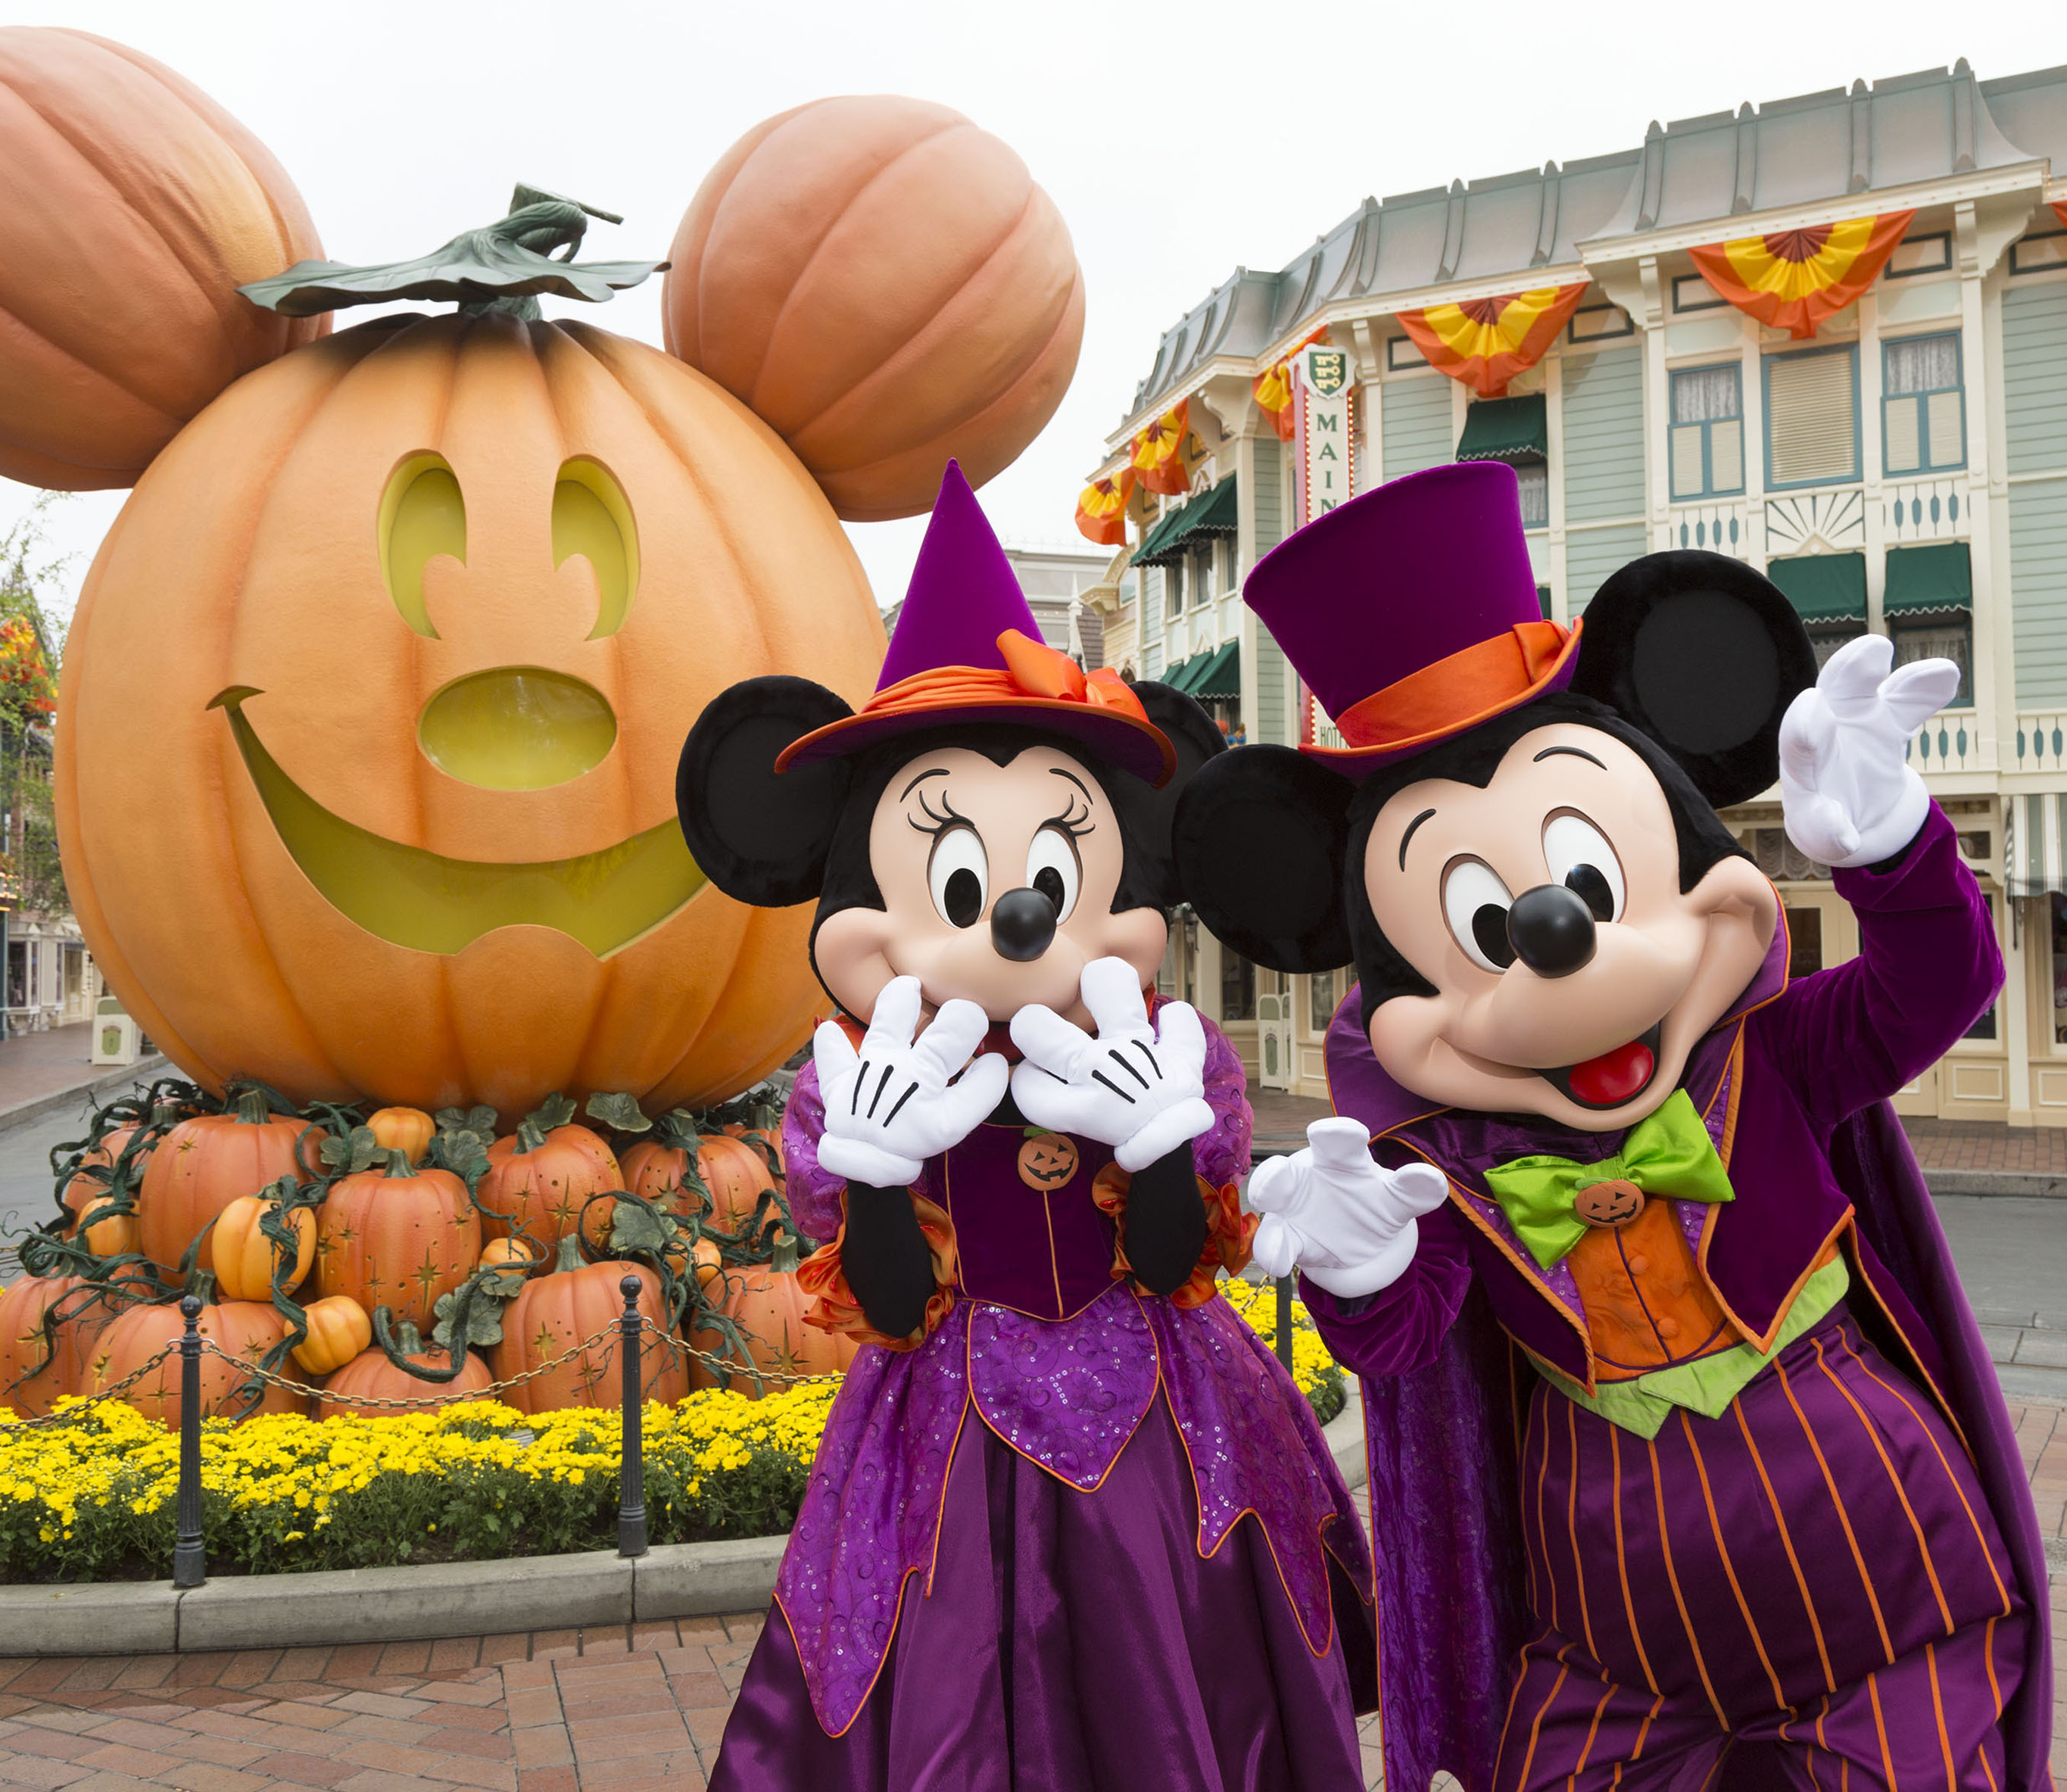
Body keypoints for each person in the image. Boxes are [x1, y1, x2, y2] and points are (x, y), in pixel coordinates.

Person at [1175, 462, 2052, 1791]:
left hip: (1883, 1576)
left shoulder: (1775, 1057)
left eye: (1587, 878)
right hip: (1614, 1634)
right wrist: (1363, 1276)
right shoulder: (1450, 1169)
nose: (1557, 937)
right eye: (1480, 927)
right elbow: (1418, 1337)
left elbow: (1938, 988)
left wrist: (1892, 855)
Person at [675, 463, 1373, 1790]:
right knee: (948, 1677)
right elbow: (888, 1303)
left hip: (1166, 1418)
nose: (1016, 910)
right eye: (960, 872)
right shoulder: (853, 1085)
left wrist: (1162, 1142)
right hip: (944, 1430)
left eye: (1052, 868)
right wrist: (876, 1176)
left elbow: (1172, 1265)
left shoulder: (1167, 1054)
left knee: (1179, 1672)